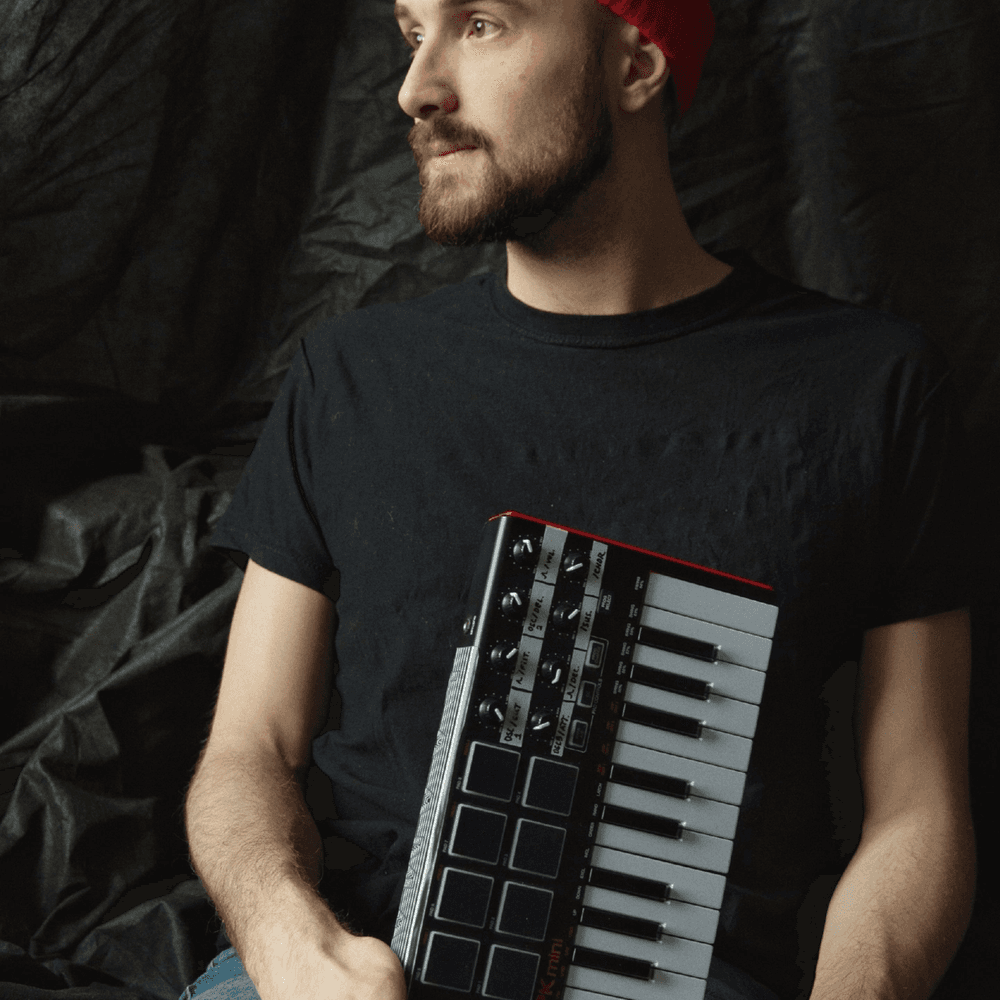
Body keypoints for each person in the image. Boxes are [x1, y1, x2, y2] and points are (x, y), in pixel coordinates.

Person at [180, 2, 977, 998]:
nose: (416, 88)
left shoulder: (870, 387)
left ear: (635, 63)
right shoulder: (347, 377)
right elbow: (249, 748)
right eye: (413, 32)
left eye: (481, 24)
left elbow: (917, 809)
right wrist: (289, 942)